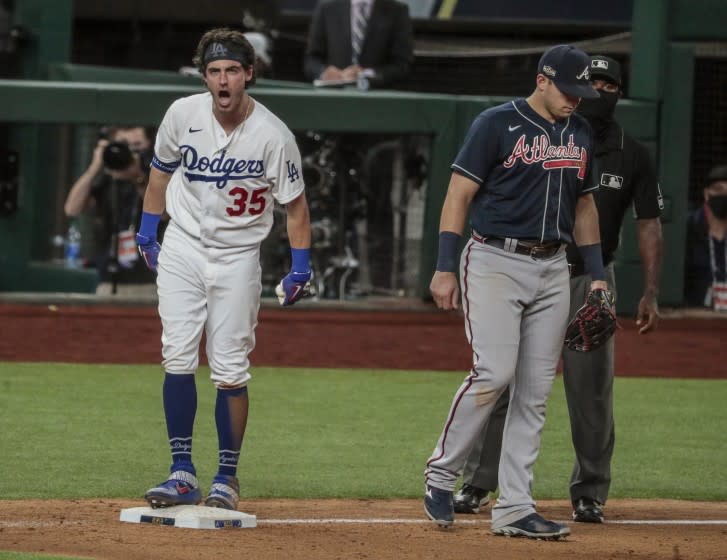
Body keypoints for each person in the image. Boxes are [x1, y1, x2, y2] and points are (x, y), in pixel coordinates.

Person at [451, 55, 665, 525]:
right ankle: (478, 481)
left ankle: (589, 491)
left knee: (589, 389)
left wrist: (644, 289)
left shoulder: (631, 151)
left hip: (587, 277)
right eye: (595, 81)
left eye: (611, 84)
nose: (600, 91)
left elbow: (648, 223)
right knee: (504, 378)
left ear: (619, 92)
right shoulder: (537, 130)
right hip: (525, 264)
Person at [423, 44, 608, 540]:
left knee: (534, 392)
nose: (576, 100)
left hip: (552, 267)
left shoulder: (581, 131)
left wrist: (595, 273)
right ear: (542, 80)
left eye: (582, 92)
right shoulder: (495, 123)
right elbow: (458, 195)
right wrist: (444, 267)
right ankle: (441, 475)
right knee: (494, 372)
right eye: (569, 90)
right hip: (493, 260)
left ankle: (514, 507)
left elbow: (585, 207)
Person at [136, 27, 312, 511]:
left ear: (249, 75)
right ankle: (181, 473)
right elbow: (159, 173)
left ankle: (227, 478)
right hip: (183, 248)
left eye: (232, 70)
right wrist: (148, 231)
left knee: (231, 368)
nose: (223, 80)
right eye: (214, 71)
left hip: (237, 257)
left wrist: (301, 267)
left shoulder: (274, 136)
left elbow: (296, 207)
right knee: (176, 356)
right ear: (205, 77)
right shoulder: (182, 114)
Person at [63, 125, 156, 287]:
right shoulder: (106, 181)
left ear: (149, 145)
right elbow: (72, 209)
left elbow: (163, 215)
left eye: (137, 145)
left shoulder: (155, 176)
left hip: (148, 280)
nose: (128, 152)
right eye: (123, 145)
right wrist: (95, 166)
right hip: (107, 278)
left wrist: (138, 179)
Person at [303, 0, 413, 89]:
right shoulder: (327, 8)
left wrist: (365, 74)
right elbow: (312, 60)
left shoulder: (398, 11)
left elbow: (402, 65)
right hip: (332, 97)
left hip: (377, 100)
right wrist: (324, 72)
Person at [685, 164, 727, 310]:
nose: (724, 195)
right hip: (694, 314)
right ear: (706, 193)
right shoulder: (687, 229)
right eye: (718, 189)